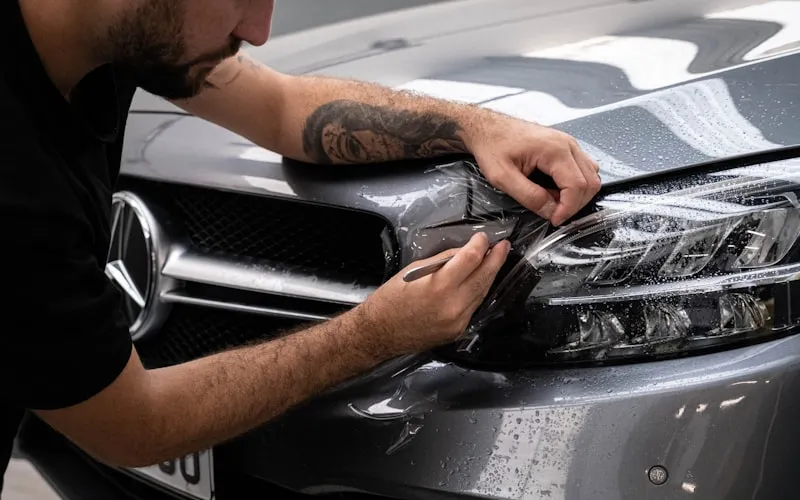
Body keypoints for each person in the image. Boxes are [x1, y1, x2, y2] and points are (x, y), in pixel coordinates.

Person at [0, 0, 601, 489]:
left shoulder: (112, 31)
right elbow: (132, 425)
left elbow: (280, 106)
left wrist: (479, 126)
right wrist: (377, 333)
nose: (258, 29)